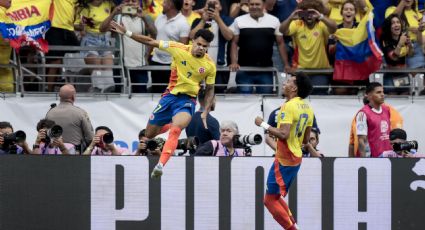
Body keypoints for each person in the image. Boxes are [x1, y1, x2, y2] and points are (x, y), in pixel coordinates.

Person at [110, 22, 216, 178]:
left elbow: (210, 89)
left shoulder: (209, 65)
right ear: (192, 41)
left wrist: (205, 110)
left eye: (205, 46)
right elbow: (150, 41)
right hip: (169, 97)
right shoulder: (178, 48)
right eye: (199, 44)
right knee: (148, 134)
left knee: (176, 130)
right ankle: (167, 123)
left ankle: (160, 165)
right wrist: (127, 33)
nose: (201, 48)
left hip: (188, 100)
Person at [255, 72, 314, 230]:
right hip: (296, 158)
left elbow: (283, 134)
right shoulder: (308, 108)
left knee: (269, 200)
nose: (285, 83)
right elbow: (306, 140)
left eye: (288, 81)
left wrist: (263, 124)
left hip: (284, 158)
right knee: (275, 196)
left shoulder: (288, 107)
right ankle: (294, 225)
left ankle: (292, 229)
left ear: (294, 88)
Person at [229, 0, 290, 94]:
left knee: (266, 98)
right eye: (251, 4)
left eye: (257, 4)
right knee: (244, 99)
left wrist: (286, 64)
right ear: (248, 5)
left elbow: (280, 43)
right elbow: (234, 43)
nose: (254, 6)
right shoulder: (239, 20)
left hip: (266, 69)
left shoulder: (274, 20)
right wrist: (234, 62)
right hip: (244, 69)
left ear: (264, 5)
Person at [279, 0, 337, 95]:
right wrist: (290, 18)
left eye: (312, 12)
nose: (309, 15)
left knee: (320, 97)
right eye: (306, 12)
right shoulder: (297, 24)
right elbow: (282, 31)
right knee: (301, 97)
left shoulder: (322, 24)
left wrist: (321, 16)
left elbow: (334, 28)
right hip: (301, 71)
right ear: (301, 13)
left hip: (321, 71)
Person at [100, 0, 157, 93]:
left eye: (134, 1)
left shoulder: (145, 17)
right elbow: (102, 29)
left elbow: (154, 34)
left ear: (139, 3)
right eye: (127, 1)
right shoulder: (117, 17)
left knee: (140, 96)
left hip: (140, 65)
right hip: (120, 65)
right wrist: (113, 12)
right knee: (119, 96)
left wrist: (144, 17)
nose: (130, 3)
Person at [150, 0, 190, 93]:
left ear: (170, 5)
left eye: (164, 2)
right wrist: (148, 55)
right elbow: (153, 37)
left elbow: (182, 47)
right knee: (155, 94)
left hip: (172, 66)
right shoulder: (159, 18)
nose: (162, 4)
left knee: (170, 94)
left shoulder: (183, 23)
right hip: (156, 62)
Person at [45, 84, 94, 153]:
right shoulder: (80, 113)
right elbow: (90, 137)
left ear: (59, 96)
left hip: (53, 153)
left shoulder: (49, 113)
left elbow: (45, 136)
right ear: (73, 97)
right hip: (74, 155)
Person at [44, 0, 81, 92]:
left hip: (69, 30)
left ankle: (71, 89)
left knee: (75, 59)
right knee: (55, 62)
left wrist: (80, 26)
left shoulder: (76, 2)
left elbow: (75, 21)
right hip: (54, 28)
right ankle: (49, 90)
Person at [355, 82, 392, 157]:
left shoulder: (386, 110)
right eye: (378, 92)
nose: (382, 95)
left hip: (387, 157)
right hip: (373, 159)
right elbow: (361, 141)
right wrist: (365, 162)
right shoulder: (363, 113)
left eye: (382, 92)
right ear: (369, 96)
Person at [380, 14, 413, 95]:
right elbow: (393, 57)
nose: (396, 24)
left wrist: (410, 46)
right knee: (392, 100)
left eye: (398, 22)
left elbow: (410, 55)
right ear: (389, 27)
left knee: (405, 99)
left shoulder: (404, 36)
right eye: (393, 23)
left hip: (403, 73)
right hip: (390, 74)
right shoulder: (385, 39)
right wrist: (400, 43)